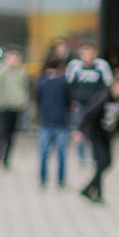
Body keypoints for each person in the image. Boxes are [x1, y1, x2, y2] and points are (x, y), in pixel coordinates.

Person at [77, 74, 119, 205]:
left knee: (105, 163)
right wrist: (80, 130)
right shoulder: (103, 97)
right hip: (96, 134)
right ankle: (94, 191)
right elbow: (88, 114)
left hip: (107, 136)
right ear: (116, 86)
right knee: (103, 162)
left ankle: (91, 190)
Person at [65, 41, 111, 164]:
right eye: (84, 53)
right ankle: (81, 156)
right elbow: (69, 84)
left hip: (96, 105)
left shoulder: (101, 66)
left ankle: (95, 155)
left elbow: (107, 85)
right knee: (80, 129)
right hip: (79, 104)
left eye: (89, 52)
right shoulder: (74, 66)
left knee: (94, 130)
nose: (87, 56)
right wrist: (71, 101)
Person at [0, 48, 29, 169]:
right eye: (13, 57)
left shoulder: (21, 73)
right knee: (1, 134)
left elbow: (24, 89)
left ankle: (6, 159)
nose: (15, 60)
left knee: (12, 135)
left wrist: (23, 102)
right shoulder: (1, 72)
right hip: (4, 108)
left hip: (16, 107)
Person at [34, 55, 71, 190]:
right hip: (61, 122)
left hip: (46, 121)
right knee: (61, 154)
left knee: (44, 153)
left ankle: (43, 180)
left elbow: (38, 100)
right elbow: (68, 101)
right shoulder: (64, 81)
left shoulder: (42, 81)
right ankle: (60, 181)